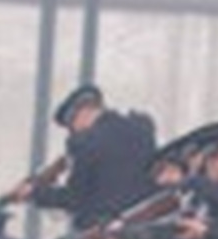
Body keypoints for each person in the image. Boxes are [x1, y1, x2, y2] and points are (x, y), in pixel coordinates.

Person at [20, 83, 158, 230]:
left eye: (71, 125)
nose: (73, 132)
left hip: (100, 231)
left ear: (79, 113)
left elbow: (75, 198)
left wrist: (36, 193)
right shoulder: (141, 129)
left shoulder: (84, 143)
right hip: (141, 228)